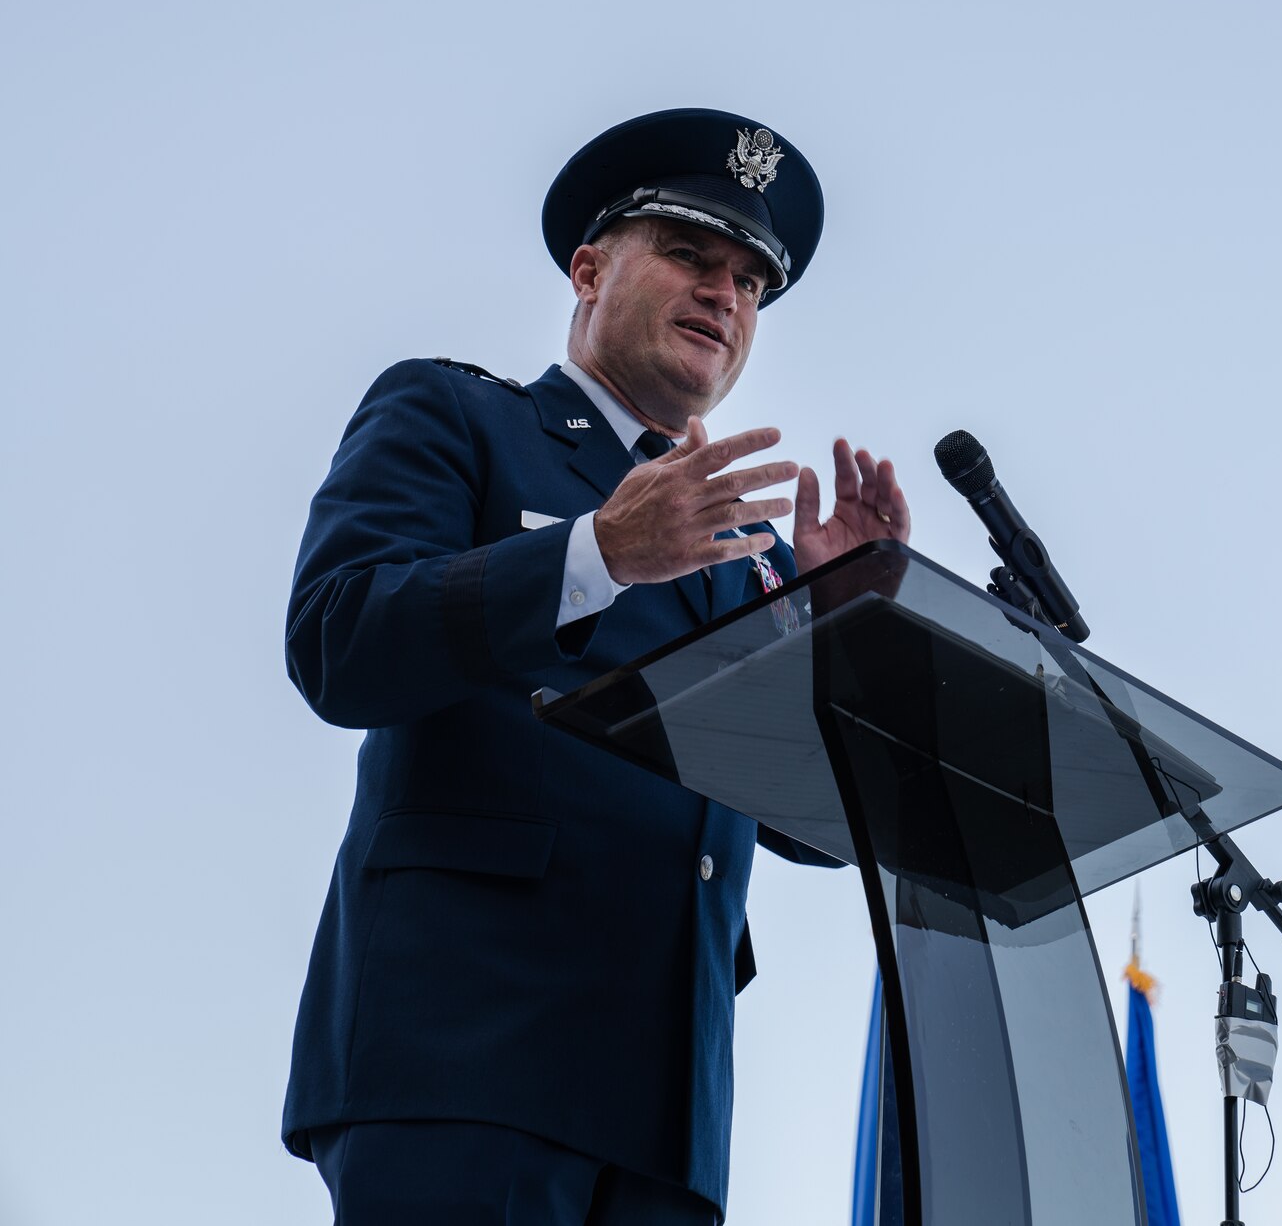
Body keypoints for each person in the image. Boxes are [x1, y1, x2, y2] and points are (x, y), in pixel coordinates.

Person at [281, 108, 909, 1224]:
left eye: (751, 283)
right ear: (588, 268)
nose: (726, 293)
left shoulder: (751, 550)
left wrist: (845, 632)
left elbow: (814, 823)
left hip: (667, 1099)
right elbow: (339, 640)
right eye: (689, 254)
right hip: (465, 1052)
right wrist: (597, 553)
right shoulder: (459, 417)